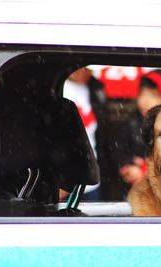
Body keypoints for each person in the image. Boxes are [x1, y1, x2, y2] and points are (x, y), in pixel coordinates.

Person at [114, 69, 161, 197]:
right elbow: (118, 150)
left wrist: (144, 171)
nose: (145, 100)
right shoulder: (132, 124)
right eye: (142, 93)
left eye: (153, 95)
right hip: (136, 193)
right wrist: (128, 167)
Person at [62, 67, 108, 200]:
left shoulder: (95, 89)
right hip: (66, 182)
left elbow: (100, 134)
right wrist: (59, 179)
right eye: (79, 68)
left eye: (87, 69)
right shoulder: (58, 87)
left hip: (92, 179)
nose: (82, 71)